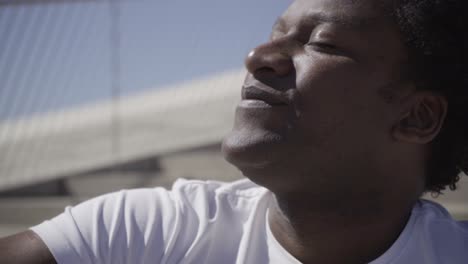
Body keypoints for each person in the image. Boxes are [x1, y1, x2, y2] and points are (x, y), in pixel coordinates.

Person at [1, 0, 468, 263]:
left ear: (418, 117)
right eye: (275, 32)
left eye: (321, 43)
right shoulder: (146, 233)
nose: (256, 57)